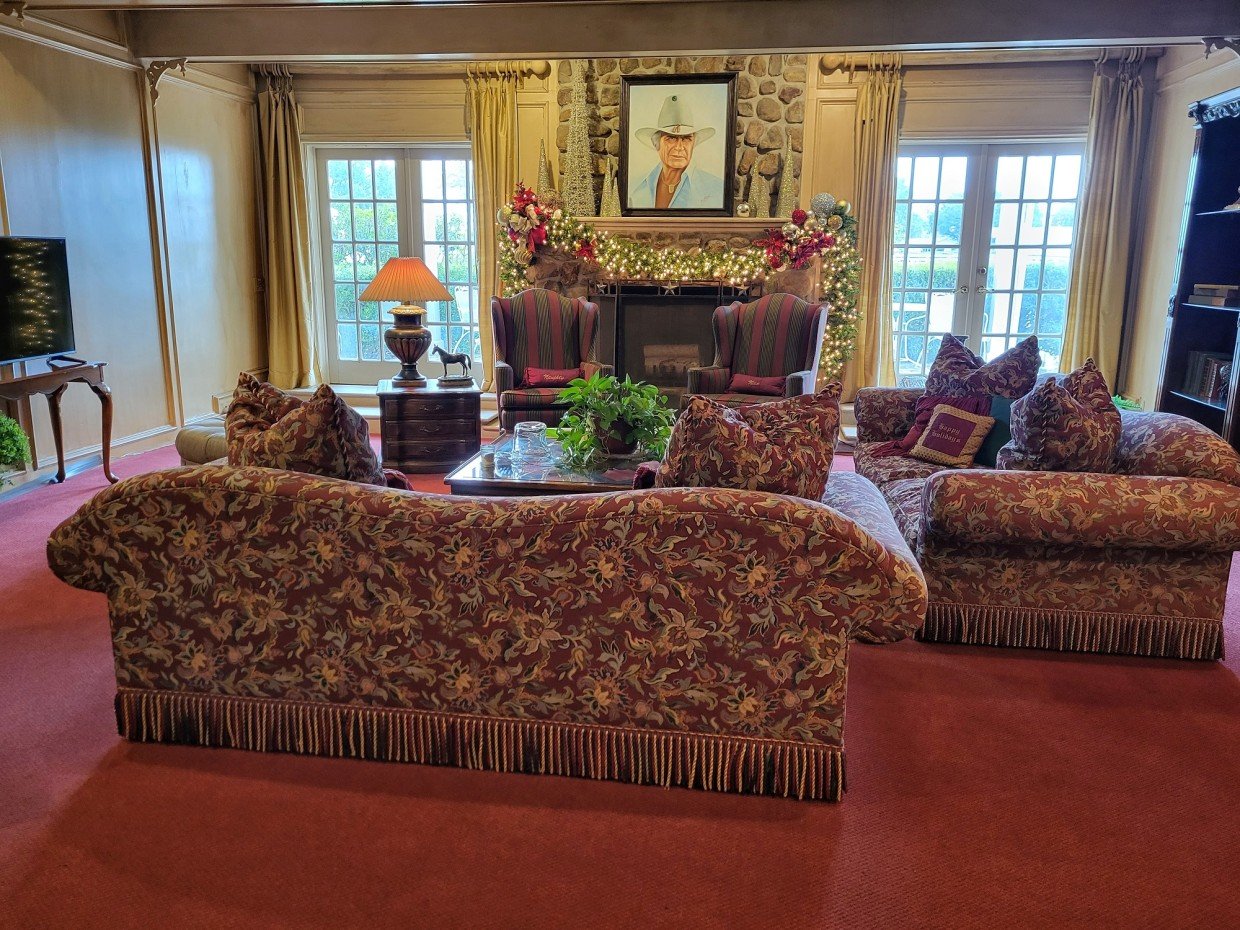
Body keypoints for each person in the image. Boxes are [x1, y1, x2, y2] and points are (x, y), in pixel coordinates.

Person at [630, 94, 725, 210]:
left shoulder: (716, 188)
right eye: (671, 138)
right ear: (656, 144)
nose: (679, 147)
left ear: (693, 145)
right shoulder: (637, 187)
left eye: (686, 139)